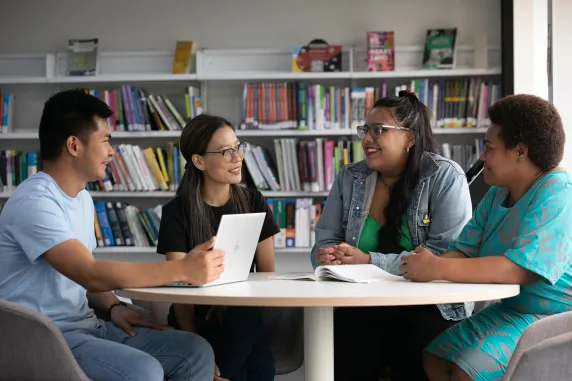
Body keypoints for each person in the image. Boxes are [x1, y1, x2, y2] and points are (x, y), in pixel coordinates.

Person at [0, 89, 220, 381]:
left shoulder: (82, 198)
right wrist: (182, 269)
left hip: (89, 328)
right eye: (105, 140)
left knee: (195, 350)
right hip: (46, 339)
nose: (112, 151)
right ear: (74, 145)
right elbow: (89, 273)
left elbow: (81, 279)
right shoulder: (35, 203)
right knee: (143, 370)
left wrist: (114, 305)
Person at [400, 94, 572, 381]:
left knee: (468, 370)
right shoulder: (498, 191)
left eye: (489, 148)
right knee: (434, 357)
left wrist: (437, 268)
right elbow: (464, 250)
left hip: (554, 319)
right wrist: (428, 263)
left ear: (520, 152)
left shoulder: (558, 192)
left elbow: (521, 270)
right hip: (511, 311)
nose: (482, 157)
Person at [310, 90, 474, 381]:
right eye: (366, 130)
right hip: (364, 301)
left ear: (409, 138)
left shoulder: (445, 177)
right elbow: (325, 239)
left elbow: (446, 254)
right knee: (341, 350)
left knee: (415, 353)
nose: (367, 140)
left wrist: (369, 261)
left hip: (430, 303)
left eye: (379, 130)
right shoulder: (349, 177)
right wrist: (329, 256)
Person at [156, 114, 279, 381]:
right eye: (226, 152)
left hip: (243, 315)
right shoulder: (176, 213)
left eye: (238, 147)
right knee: (254, 364)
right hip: (196, 323)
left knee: (251, 340)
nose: (237, 158)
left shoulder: (254, 201)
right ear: (199, 161)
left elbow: (267, 276)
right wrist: (196, 349)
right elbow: (179, 291)